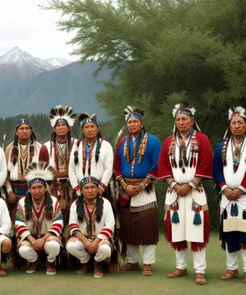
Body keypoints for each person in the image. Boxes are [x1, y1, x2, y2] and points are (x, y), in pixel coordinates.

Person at [158, 103, 213, 285]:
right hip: (174, 193)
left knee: (196, 232)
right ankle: (181, 267)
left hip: (194, 192)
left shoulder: (202, 139)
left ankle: (200, 270)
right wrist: (174, 185)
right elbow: (163, 166)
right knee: (177, 231)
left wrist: (190, 184)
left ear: (192, 121)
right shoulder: (168, 141)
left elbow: (205, 163)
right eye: (178, 119)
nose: (181, 122)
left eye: (184, 119)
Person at [114, 106, 161, 276]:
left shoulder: (153, 141)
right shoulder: (122, 143)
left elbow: (157, 166)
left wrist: (141, 186)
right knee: (128, 228)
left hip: (146, 188)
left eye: (136, 121)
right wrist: (125, 186)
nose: (132, 124)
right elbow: (116, 168)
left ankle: (147, 263)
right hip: (125, 189)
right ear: (127, 125)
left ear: (142, 124)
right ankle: (132, 262)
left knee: (147, 227)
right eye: (130, 122)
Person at [213, 106, 246, 283]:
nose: (237, 126)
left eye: (240, 122)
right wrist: (224, 187)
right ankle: (232, 269)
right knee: (230, 234)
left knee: (245, 235)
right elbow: (217, 170)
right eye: (233, 123)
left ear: (245, 125)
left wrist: (241, 189)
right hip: (226, 197)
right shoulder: (221, 147)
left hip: (245, 197)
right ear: (229, 126)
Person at [15, 162, 63, 275]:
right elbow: (19, 223)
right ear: (29, 190)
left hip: (48, 237)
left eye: (40, 187)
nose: (37, 191)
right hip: (30, 238)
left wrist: (43, 239)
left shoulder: (53, 201)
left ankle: (50, 261)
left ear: (45, 188)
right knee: (23, 249)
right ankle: (34, 260)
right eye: (34, 188)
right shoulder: (22, 202)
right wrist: (32, 240)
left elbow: (58, 223)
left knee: (53, 246)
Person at [66, 176, 115, 278]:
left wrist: (96, 241)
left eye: (93, 187)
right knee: (70, 246)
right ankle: (86, 261)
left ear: (97, 189)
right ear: (81, 190)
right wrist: (85, 241)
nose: (90, 190)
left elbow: (110, 226)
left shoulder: (105, 203)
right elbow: (73, 225)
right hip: (82, 239)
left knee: (105, 249)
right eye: (86, 188)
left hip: (100, 239)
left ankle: (97, 263)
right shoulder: (75, 204)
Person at [39, 105, 76, 227]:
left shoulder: (77, 145)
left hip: (73, 187)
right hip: (53, 188)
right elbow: (42, 171)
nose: (61, 128)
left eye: (63, 125)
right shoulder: (45, 147)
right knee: (54, 215)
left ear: (69, 128)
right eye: (58, 126)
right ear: (54, 129)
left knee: (73, 215)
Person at [69, 113, 113, 198]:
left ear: (98, 129)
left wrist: (101, 187)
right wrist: (77, 189)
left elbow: (109, 168)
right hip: (81, 190)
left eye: (92, 127)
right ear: (82, 131)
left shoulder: (106, 145)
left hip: (101, 190)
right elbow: (71, 169)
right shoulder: (76, 146)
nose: (89, 130)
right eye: (86, 127)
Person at [5, 119, 41, 219]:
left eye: (27, 128)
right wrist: (9, 192)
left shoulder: (39, 147)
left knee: (33, 218)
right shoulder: (9, 148)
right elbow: (6, 175)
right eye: (21, 129)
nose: (24, 131)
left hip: (35, 190)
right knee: (14, 218)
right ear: (16, 132)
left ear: (31, 131)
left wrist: (37, 191)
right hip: (15, 190)